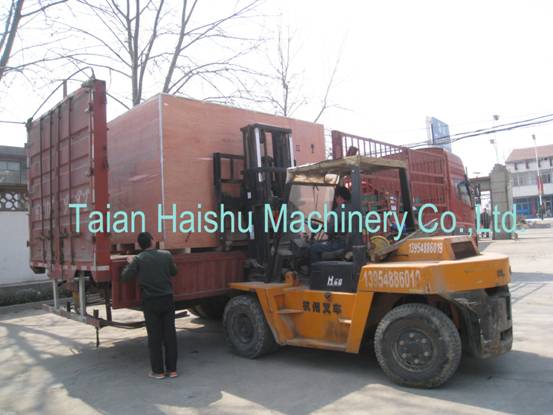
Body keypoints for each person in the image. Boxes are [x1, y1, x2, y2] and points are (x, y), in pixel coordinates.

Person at [121, 232, 178, 379]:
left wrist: (130, 263)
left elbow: (126, 277)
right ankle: (172, 370)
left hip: (150, 301)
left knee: (154, 337)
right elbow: (174, 272)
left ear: (139, 245)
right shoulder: (166, 255)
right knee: (170, 335)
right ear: (152, 241)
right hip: (167, 299)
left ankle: (158, 372)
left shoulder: (138, 259)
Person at [309, 185, 352, 262]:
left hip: (340, 244)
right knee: (319, 243)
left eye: (336, 198)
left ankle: (317, 269)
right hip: (350, 243)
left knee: (313, 248)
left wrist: (326, 225)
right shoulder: (354, 208)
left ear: (339, 197)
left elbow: (329, 230)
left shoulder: (339, 211)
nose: (336, 201)